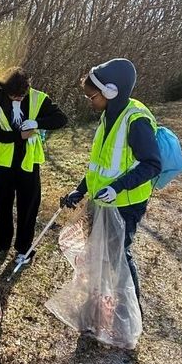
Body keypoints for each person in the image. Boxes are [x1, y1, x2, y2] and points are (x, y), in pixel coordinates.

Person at [60, 58, 161, 311]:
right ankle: (98, 303)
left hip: (125, 205)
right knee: (99, 254)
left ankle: (129, 311)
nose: (89, 101)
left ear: (110, 92)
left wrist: (117, 187)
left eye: (91, 96)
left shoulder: (136, 121)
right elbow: (99, 164)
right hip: (102, 201)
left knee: (119, 257)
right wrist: (81, 190)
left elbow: (152, 164)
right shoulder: (109, 115)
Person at [0, 67, 68, 266]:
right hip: (4, 164)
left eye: (21, 95)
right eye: (13, 96)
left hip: (29, 164)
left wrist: (37, 122)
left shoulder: (39, 98)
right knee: (3, 206)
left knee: (28, 208)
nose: (18, 99)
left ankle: (24, 249)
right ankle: (1, 244)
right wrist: (18, 136)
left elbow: (61, 119)